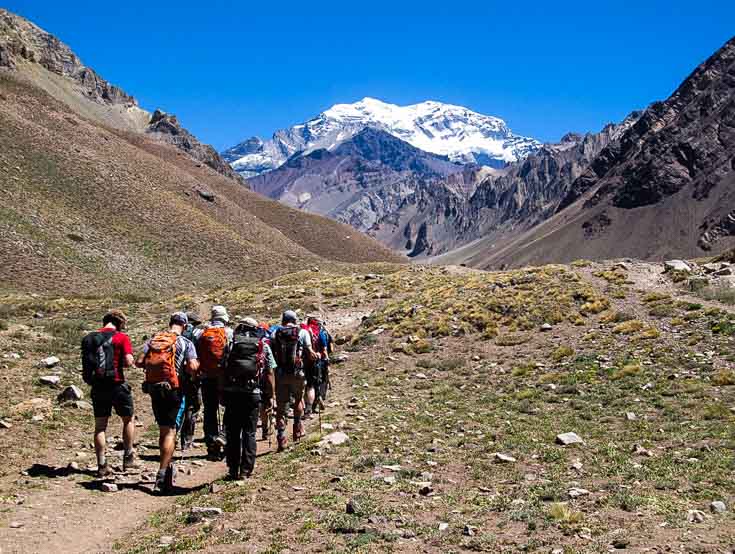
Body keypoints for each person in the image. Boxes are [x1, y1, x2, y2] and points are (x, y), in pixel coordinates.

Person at [136, 312, 199, 493]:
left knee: (164, 430)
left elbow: (139, 362)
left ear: (170, 323)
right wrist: (191, 374)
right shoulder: (185, 343)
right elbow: (193, 366)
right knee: (171, 432)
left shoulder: (154, 340)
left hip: (155, 389)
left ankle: (166, 468)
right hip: (174, 390)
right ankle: (162, 476)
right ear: (185, 326)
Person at [81, 310, 140, 478]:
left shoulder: (89, 338)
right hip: (117, 384)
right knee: (128, 420)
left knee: (100, 427)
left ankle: (101, 464)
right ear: (119, 323)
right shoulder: (121, 338)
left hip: (98, 387)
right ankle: (128, 457)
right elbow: (129, 362)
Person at [221, 317, 277, 479]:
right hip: (253, 393)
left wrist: (222, 392)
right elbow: (270, 372)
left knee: (232, 432)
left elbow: (223, 369)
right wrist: (270, 395)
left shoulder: (231, 345)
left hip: (232, 393)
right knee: (249, 432)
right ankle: (246, 470)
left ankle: (232, 468)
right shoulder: (262, 346)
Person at [271, 310, 315, 451]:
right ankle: (297, 427)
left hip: (280, 374)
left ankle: (281, 437)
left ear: (283, 320)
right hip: (298, 373)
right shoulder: (302, 332)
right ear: (295, 320)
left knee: (281, 405)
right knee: (298, 399)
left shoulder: (275, 333)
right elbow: (310, 353)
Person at [194, 305, 233, 460]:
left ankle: (211, 445)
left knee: (209, 410)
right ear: (225, 318)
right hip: (225, 378)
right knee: (229, 408)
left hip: (206, 377)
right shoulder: (229, 333)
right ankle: (224, 436)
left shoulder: (201, 334)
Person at [179, 312, 203, 450]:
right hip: (193, 375)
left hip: (177, 376)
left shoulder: (176, 337)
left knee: (181, 406)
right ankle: (187, 440)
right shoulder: (197, 335)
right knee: (193, 407)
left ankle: (174, 437)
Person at [303, 315, 331, 414]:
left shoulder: (303, 331)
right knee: (317, 383)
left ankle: (307, 406)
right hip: (318, 362)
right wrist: (327, 360)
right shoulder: (320, 333)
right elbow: (324, 349)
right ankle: (313, 405)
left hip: (304, 362)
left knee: (308, 385)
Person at [256, 322, 275, 440]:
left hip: (244, 383)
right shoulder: (264, 346)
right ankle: (265, 429)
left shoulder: (239, 344)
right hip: (261, 381)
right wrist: (272, 391)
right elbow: (270, 371)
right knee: (264, 405)